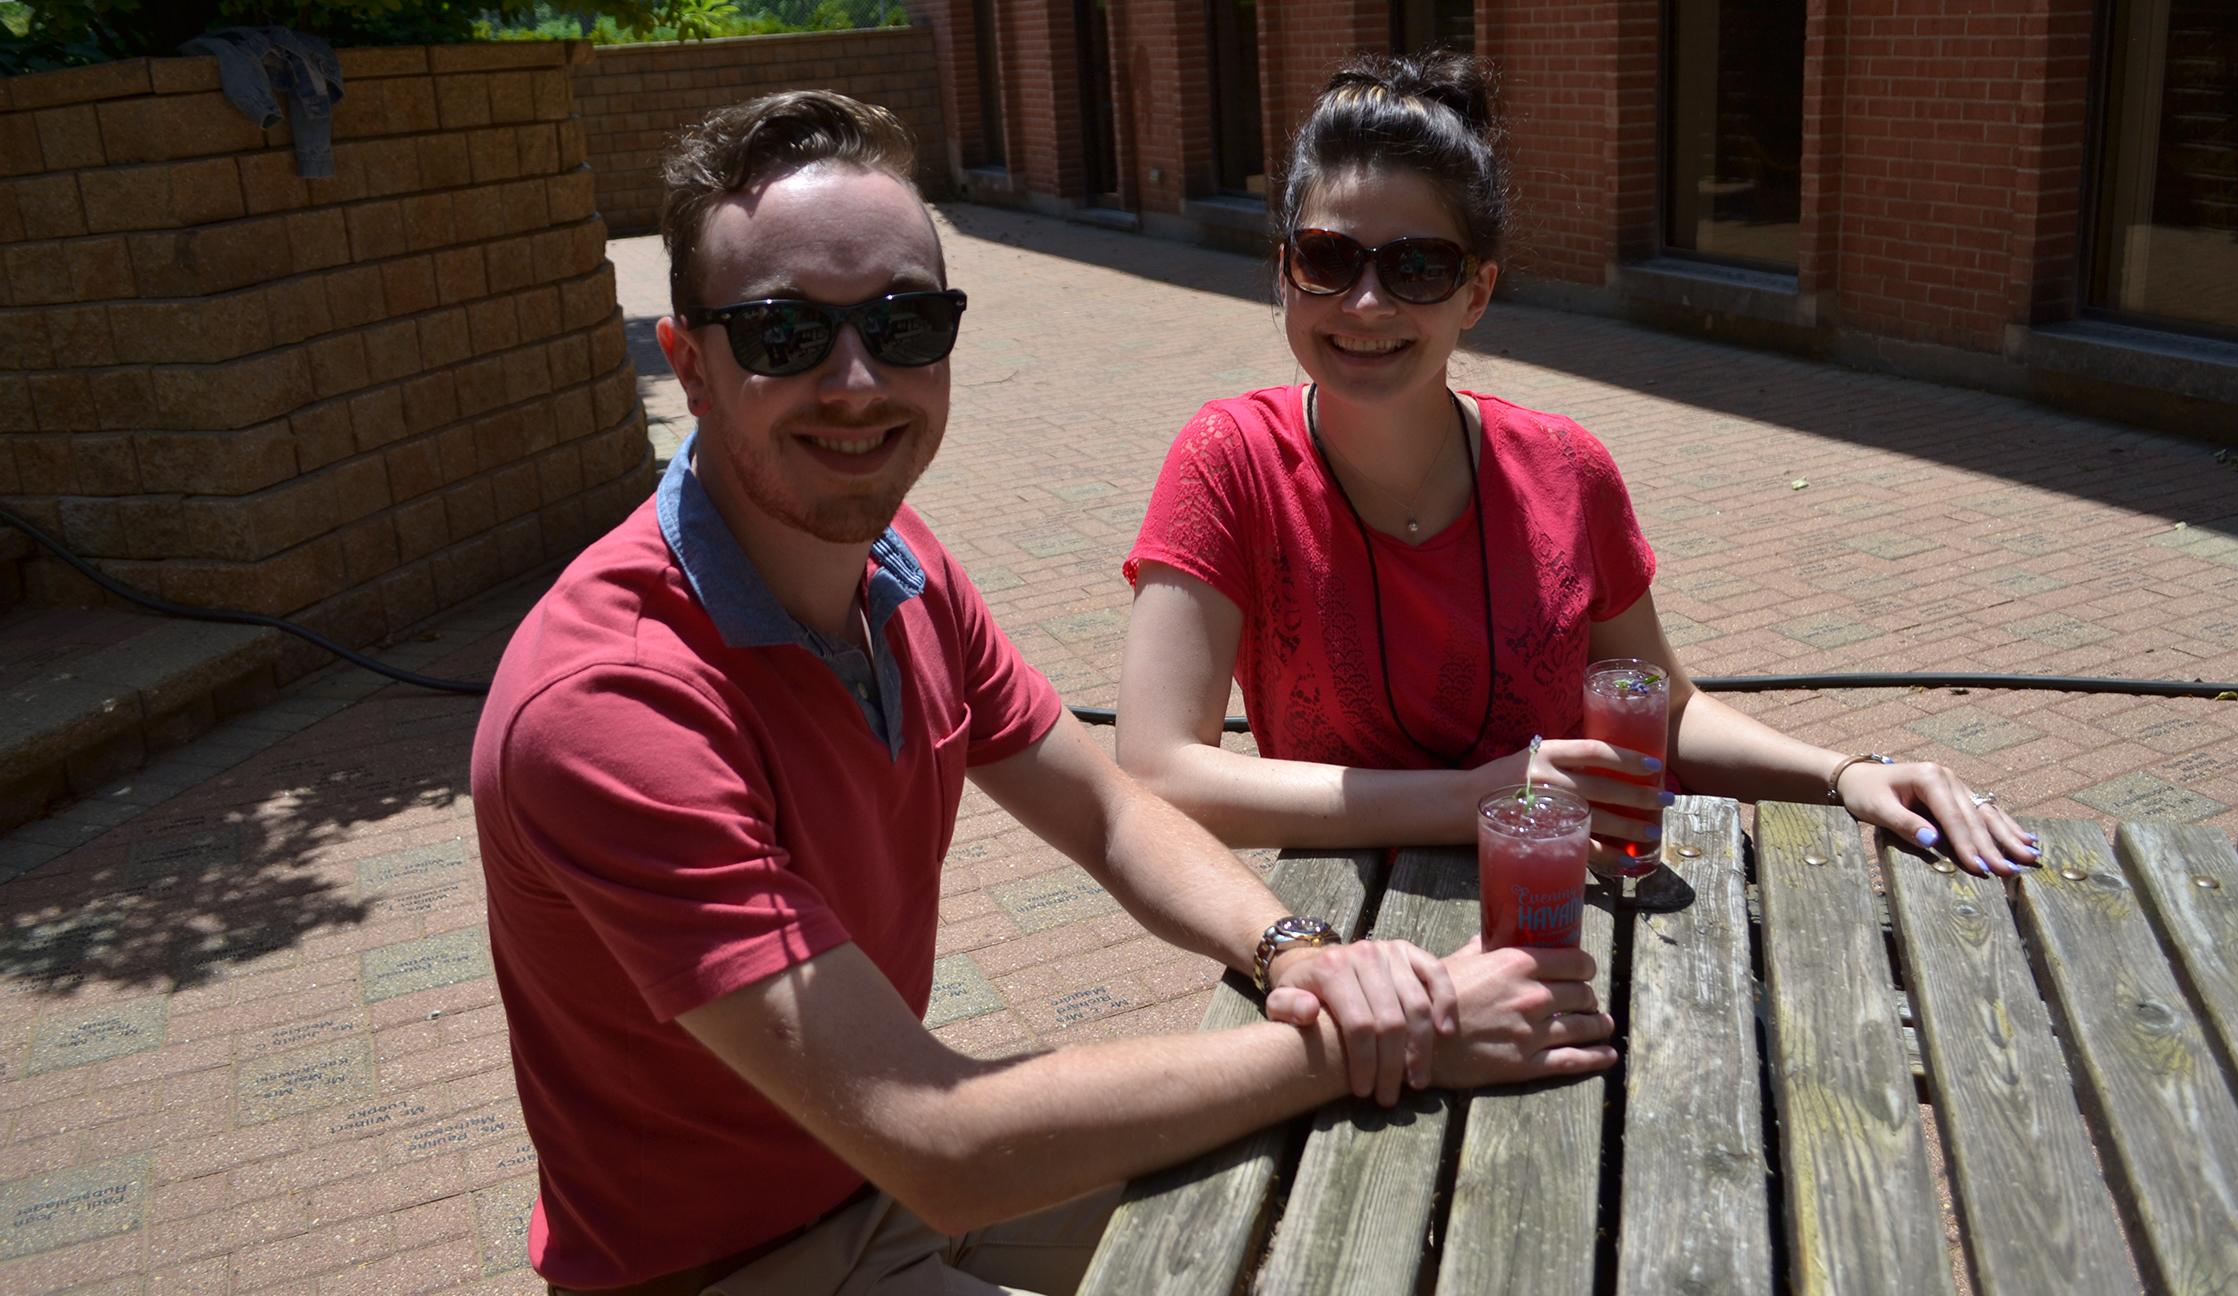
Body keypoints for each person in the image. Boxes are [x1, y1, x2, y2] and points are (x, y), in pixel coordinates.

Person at [472, 90, 1618, 1296]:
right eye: (785, 335)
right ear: (690, 364)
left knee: (1381, 1214)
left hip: (891, 1185)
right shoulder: (613, 708)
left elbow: (1111, 813)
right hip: (735, 1263)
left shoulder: (899, 571)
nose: (858, 381)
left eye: (906, 324)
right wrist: (1402, 1030)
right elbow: (944, 1140)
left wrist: (1292, 951)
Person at [1117, 52, 2040, 881]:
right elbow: (1157, 772)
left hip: (1572, 907)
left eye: (1419, 267)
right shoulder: (1229, 462)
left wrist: (1849, 776)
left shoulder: (1566, 466)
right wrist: (1479, 795)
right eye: (1328, 258)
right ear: (1285, 270)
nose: (1365, 302)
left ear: (1477, 290)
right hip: (1355, 945)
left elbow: (1667, 715)